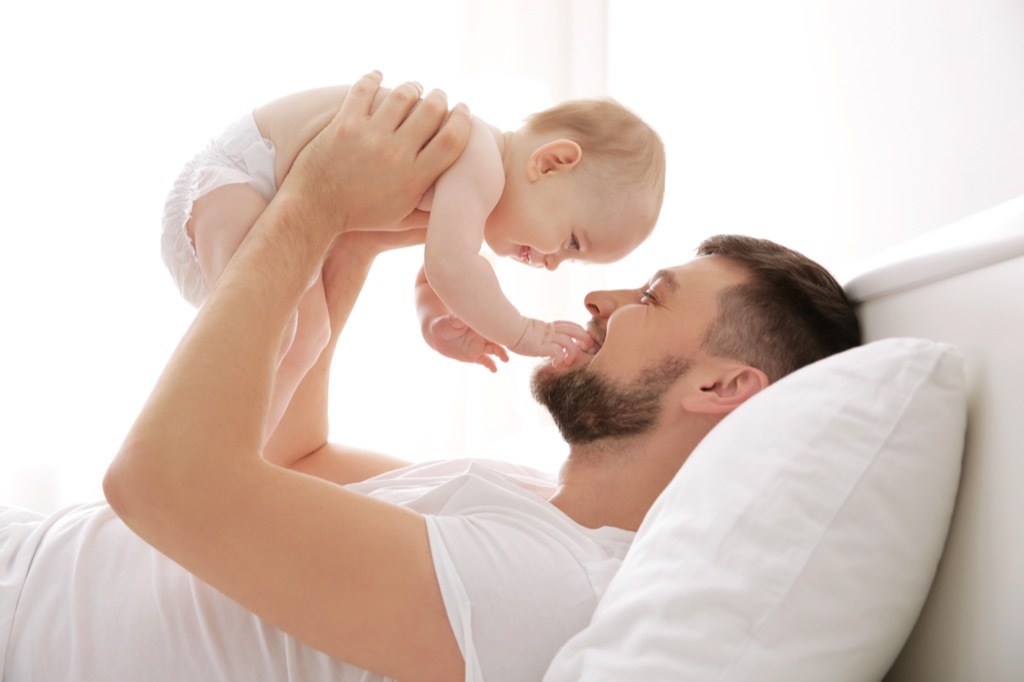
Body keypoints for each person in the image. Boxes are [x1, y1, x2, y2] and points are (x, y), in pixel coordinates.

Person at [0, 72, 860, 682]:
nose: (595, 292)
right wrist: (350, 241)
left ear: (719, 387)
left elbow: (160, 484)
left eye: (650, 295)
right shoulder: (522, 497)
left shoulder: (548, 586)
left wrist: (314, 206)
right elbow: (292, 458)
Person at [161, 80, 666, 436]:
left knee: (304, 331)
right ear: (551, 163)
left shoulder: (470, 195)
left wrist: (434, 320)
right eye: (573, 242)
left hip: (261, 198)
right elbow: (451, 269)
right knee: (282, 326)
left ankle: (240, 455)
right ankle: (215, 453)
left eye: (573, 261)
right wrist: (524, 332)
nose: (555, 262)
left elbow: (435, 273)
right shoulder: (478, 157)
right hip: (237, 178)